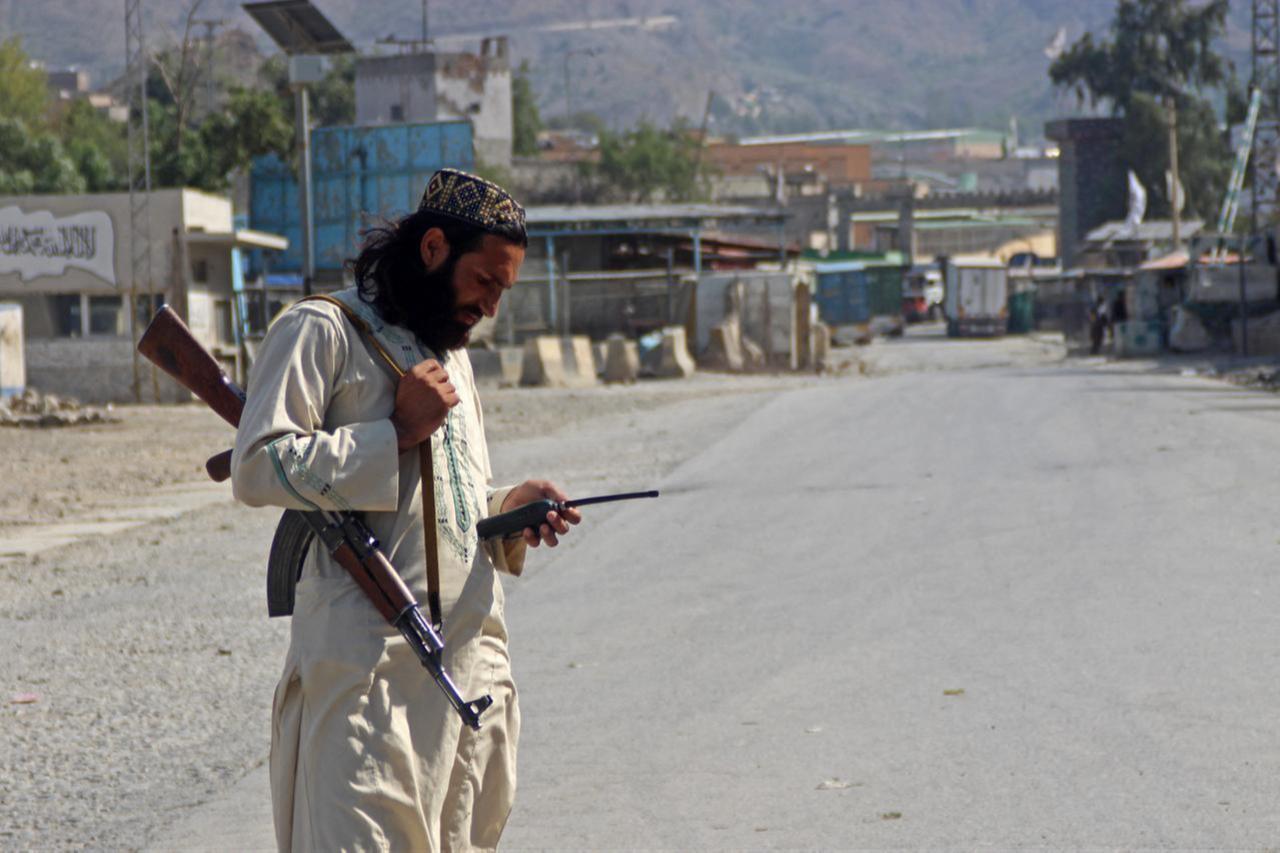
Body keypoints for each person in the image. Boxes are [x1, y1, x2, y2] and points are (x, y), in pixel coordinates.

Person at [231, 169, 580, 851]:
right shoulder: (322, 330)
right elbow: (256, 463)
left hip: (466, 678)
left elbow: (448, 505)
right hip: (369, 686)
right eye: (484, 281)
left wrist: (511, 506)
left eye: (503, 290)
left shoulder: (451, 356)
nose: (491, 305)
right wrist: (391, 433)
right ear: (432, 250)